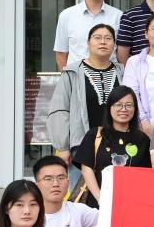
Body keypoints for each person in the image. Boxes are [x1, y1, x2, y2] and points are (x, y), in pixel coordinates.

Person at [47, 24, 124, 168]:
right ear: (88, 43)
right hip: (81, 146)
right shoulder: (72, 72)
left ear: (114, 45)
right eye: (97, 38)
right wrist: (63, 147)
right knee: (80, 183)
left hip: (117, 145)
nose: (103, 42)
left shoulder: (122, 72)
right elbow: (60, 109)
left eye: (108, 38)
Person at [72, 85, 151, 211]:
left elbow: (145, 177)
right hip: (96, 205)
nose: (123, 109)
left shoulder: (142, 140)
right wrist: (100, 198)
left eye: (129, 105)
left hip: (130, 206)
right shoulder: (95, 134)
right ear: (109, 107)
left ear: (135, 109)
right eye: (118, 105)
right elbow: (86, 168)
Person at [53, 0, 121, 70]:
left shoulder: (118, 16)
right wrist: (69, 78)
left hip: (109, 78)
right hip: (76, 78)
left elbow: (121, 54)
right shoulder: (67, 15)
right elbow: (61, 54)